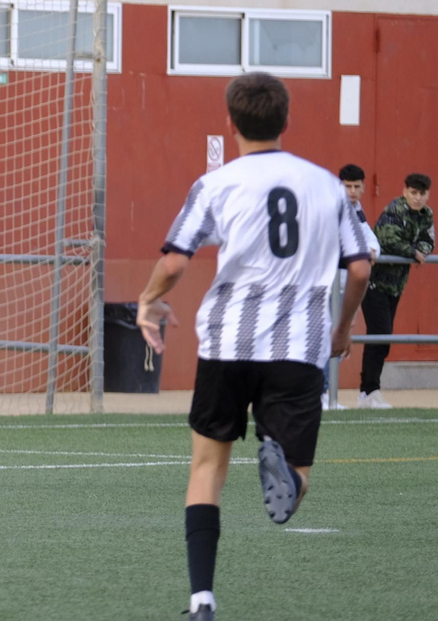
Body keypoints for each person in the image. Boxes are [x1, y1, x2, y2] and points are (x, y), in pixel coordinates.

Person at [134, 72, 371, 621]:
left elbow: (174, 260)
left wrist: (148, 300)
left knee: (206, 468)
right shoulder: (328, 186)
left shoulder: (216, 183)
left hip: (228, 341)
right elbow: (359, 265)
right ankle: (284, 469)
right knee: (297, 475)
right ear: (287, 122)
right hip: (300, 346)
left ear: (230, 122)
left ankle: (201, 599)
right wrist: (342, 328)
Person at [359, 172, 434, 408]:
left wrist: (420, 249)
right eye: (414, 192)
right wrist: (412, 252)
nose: (418, 198)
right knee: (380, 335)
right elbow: (387, 239)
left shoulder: (426, 215)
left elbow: (428, 239)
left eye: (422, 193)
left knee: (381, 336)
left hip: (395, 286)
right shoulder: (395, 210)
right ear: (405, 191)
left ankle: (369, 392)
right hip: (374, 283)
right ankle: (369, 391)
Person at [326, 165, 380, 409]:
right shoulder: (331, 208)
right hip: (327, 282)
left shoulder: (357, 209)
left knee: (340, 335)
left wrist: (372, 250)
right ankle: (322, 392)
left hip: (346, 283)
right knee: (326, 334)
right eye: (348, 186)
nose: (352, 191)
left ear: (364, 187)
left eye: (357, 186)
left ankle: (327, 393)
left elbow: (369, 238)